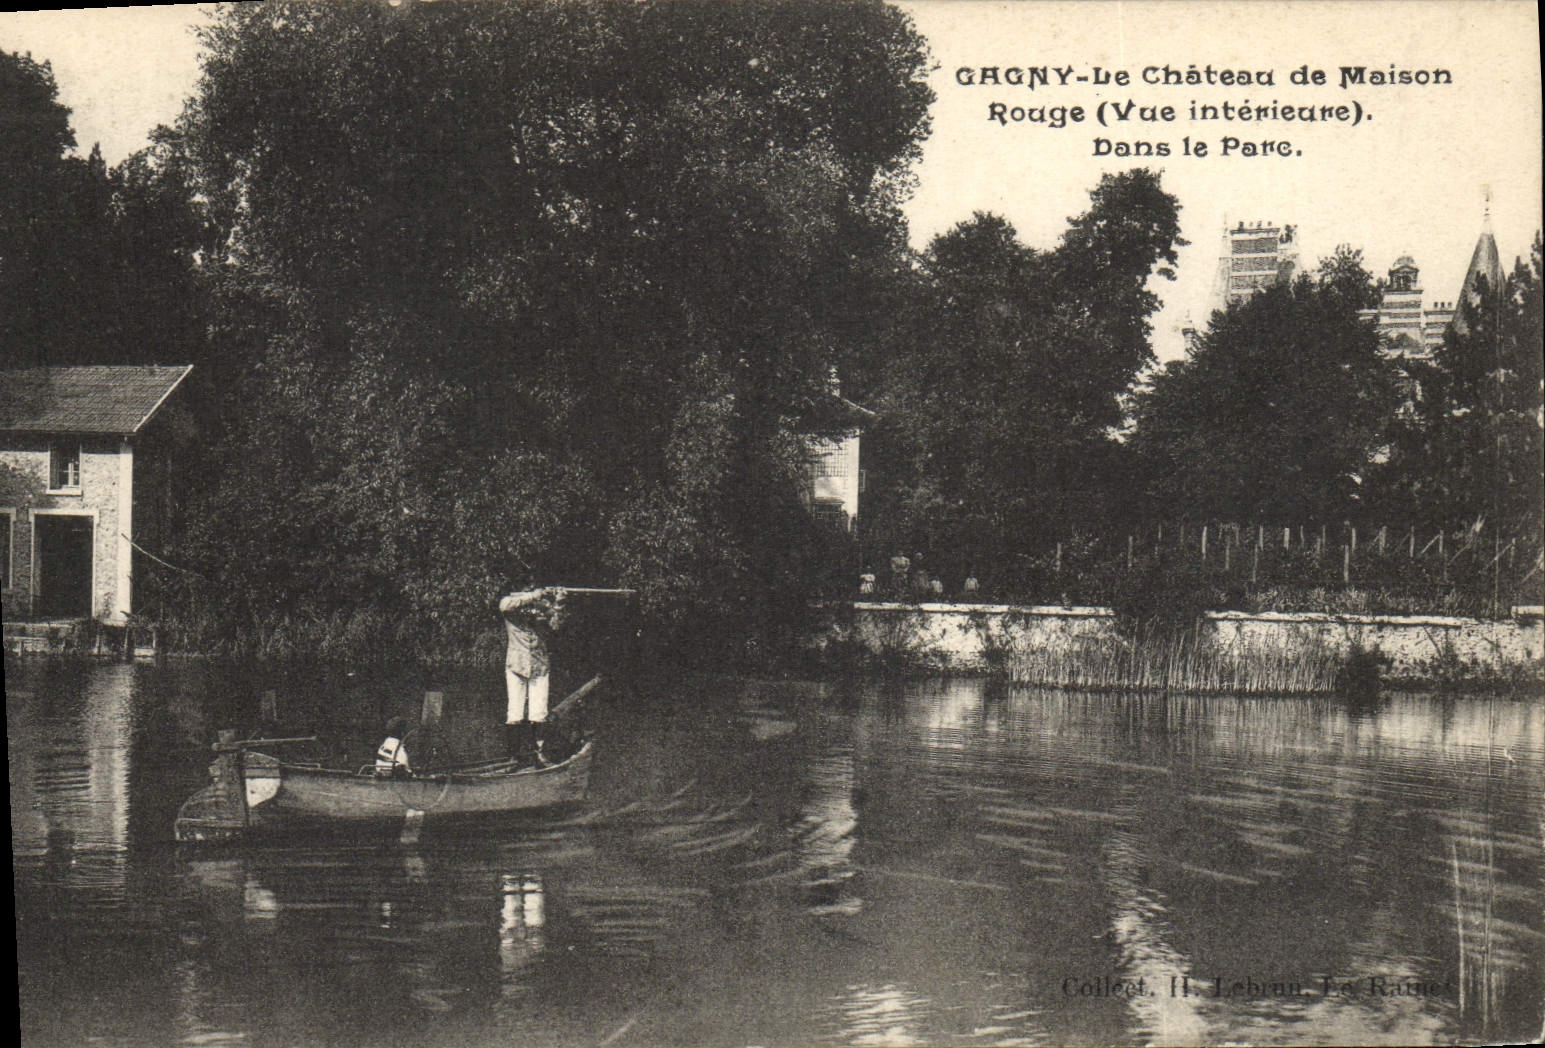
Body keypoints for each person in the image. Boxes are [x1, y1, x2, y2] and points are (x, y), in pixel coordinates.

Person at [499, 586, 566, 765]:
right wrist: (533, 596)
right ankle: (514, 757)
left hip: (539, 666)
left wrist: (559, 604)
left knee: (539, 713)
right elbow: (505, 606)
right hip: (516, 666)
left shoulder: (542, 607)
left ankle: (539, 754)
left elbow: (556, 626)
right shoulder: (510, 603)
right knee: (515, 713)